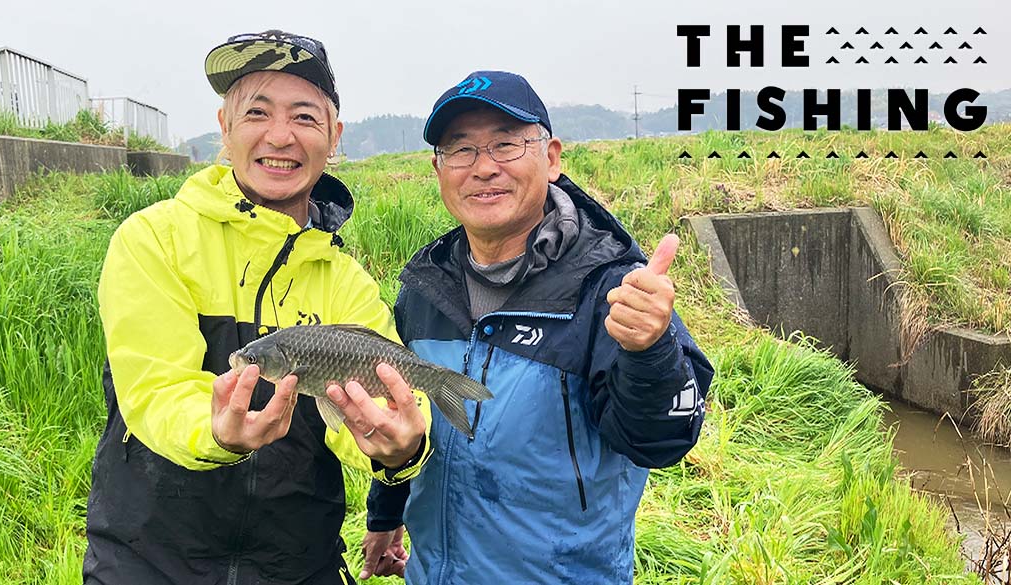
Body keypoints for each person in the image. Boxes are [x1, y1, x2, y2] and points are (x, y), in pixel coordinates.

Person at [83, 30, 431, 585]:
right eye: (257, 112)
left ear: (334, 136)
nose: (280, 136)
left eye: (304, 117)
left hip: (299, 562)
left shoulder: (348, 281)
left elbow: (379, 410)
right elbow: (157, 390)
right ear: (224, 127)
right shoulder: (155, 238)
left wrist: (398, 446)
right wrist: (216, 430)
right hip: (146, 558)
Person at [361, 71, 713, 584]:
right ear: (438, 169)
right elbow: (402, 414)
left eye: (506, 145)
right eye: (460, 150)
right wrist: (386, 512)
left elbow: (659, 441)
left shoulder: (608, 288)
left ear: (551, 157)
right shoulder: (425, 288)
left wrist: (650, 350)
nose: (483, 169)